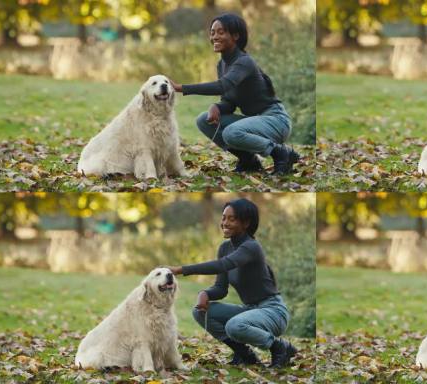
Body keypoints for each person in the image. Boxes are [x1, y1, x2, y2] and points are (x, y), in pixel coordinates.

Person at [167, 198, 297, 368]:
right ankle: (244, 354)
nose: (225, 223)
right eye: (223, 218)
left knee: (234, 326)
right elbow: (221, 289)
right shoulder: (225, 248)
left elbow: (223, 265)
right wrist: (204, 293)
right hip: (251, 309)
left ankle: (280, 347)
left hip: (273, 311)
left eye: (231, 219)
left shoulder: (251, 247)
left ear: (246, 223)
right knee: (200, 312)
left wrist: (180, 269)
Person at [168, 13, 299, 175]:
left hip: (276, 121)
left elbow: (223, 86)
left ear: (236, 36)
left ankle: (282, 154)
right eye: (212, 32)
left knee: (231, 133)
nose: (215, 36)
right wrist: (217, 106)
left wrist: (181, 88)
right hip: (254, 121)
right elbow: (229, 101)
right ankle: (248, 160)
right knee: (203, 120)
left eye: (221, 32)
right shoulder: (221, 64)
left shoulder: (244, 61)